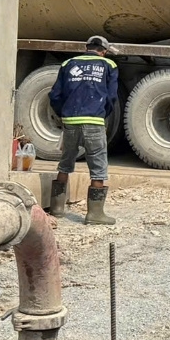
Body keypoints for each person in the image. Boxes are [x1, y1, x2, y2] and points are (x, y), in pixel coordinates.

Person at [49, 36, 121, 225]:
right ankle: (95, 214)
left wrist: (64, 113)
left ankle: (56, 209)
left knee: (65, 163)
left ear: (86, 47)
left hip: (70, 120)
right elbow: (112, 97)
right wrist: (102, 114)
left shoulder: (68, 63)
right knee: (98, 167)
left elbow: (55, 94)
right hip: (93, 121)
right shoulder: (109, 65)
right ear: (104, 51)